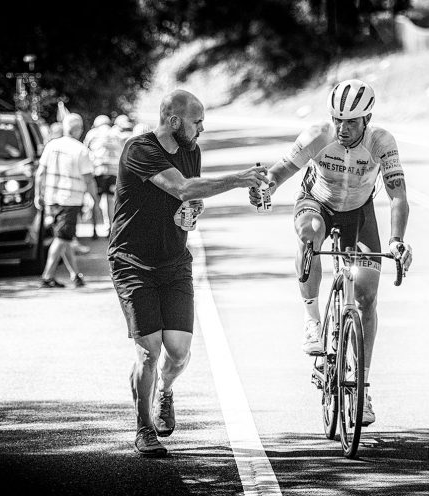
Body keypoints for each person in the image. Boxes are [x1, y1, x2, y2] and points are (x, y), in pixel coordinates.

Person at [108, 89, 268, 457]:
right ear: (174, 120)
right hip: (133, 262)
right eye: (197, 122)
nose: (202, 129)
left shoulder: (191, 150)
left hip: (175, 261)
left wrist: (193, 210)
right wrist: (238, 179)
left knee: (178, 352)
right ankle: (143, 429)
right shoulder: (139, 149)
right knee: (148, 352)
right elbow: (180, 186)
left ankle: (164, 391)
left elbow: (189, 198)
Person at [249, 79, 413, 426]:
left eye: (351, 121)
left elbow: (398, 195)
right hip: (317, 203)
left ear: (367, 119)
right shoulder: (316, 135)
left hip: (358, 212)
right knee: (310, 234)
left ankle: (363, 388)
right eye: (337, 119)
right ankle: (312, 321)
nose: (343, 127)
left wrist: (397, 241)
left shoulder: (381, 142)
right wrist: (266, 186)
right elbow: (282, 170)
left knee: (367, 296)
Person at [35, 113, 100, 288]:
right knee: (63, 238)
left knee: (64, 236)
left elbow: (40, 173)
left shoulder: (51, 146)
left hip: (51, 199)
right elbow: (88, 180)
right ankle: (47, 276)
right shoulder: (81, 150)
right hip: (69, 201)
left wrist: (37, 195)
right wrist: (95, 200)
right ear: (78, 129)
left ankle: (75, 275)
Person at [83, 114, 122, 238]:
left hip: (97, 172)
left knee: (95, 201)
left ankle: (94, 230)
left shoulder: (92, 133)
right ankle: (110, 229)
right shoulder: (115, 134)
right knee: (111, 202)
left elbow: (85, 150)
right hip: (113, 173)